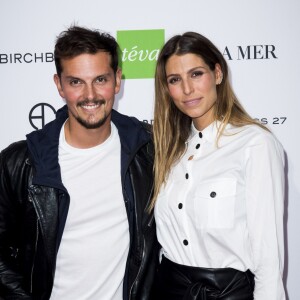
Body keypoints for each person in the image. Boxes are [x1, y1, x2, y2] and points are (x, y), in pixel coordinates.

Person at [0, 25, 158, 300]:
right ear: (59, 85)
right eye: (76, 82)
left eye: (100, 79)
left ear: (117, 80)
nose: (90, 95)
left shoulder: (148, 151)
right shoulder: (19, 163)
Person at [151, 32, 286, 299]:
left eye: (196, 74)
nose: (187, 89)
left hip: (229, 292)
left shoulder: (255, 144)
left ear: (218, 74)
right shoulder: (168, 150)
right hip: (168, 290)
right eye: (175, 80)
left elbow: (268, 258)